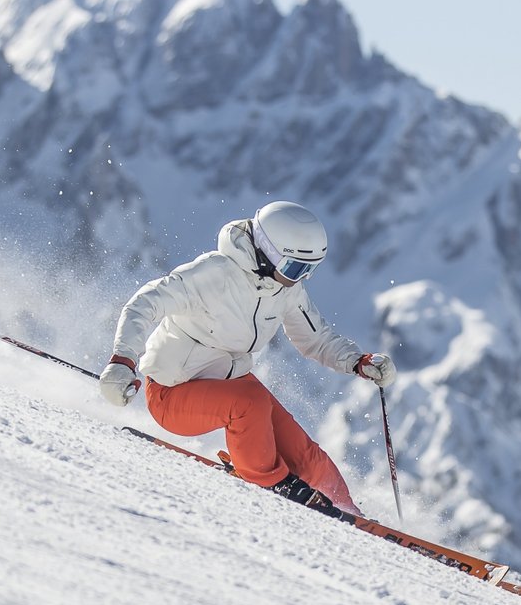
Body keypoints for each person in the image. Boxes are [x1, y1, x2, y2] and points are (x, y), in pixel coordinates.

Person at [99, 201, 396, 516]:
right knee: (250, 403)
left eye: (309, 269)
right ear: (268, 252)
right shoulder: (216, 273)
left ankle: (348, 511)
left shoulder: (285, 289)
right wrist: (123, 360)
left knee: (308, 457)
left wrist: (357, 361)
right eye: (294, 268)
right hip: (172, 392)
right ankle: (271, 484)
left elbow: (315, 338)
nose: (300, 278)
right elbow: (145, 303)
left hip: (230, 384)